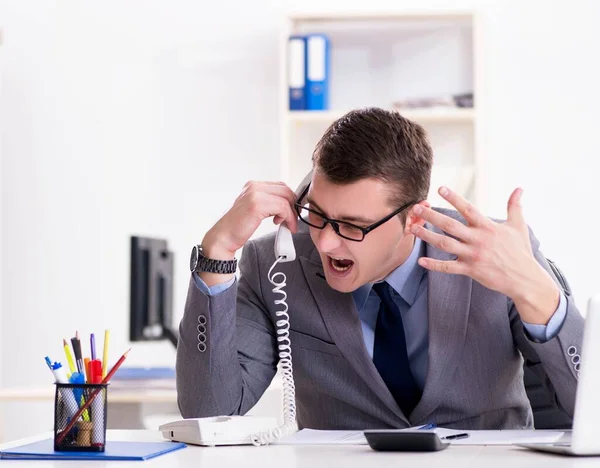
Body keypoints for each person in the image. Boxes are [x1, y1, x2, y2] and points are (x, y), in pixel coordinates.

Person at [176, 107, 582, 430]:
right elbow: (208, 413)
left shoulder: (497, 251)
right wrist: (219, 252)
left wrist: (536, 292)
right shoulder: (275, 264)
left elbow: (589, 411)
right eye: (317, 213)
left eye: (353, 226)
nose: (326, 242)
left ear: (414, 217)